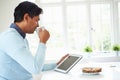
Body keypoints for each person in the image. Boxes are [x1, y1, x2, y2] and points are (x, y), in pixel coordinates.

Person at [0, 1, 68, 80]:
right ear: (26, 17)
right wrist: (43, 41)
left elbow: (31, 65)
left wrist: (56, 64)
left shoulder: (19, 37)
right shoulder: (11, 38)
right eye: (36, 20)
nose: (38, 25)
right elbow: (35, 69)